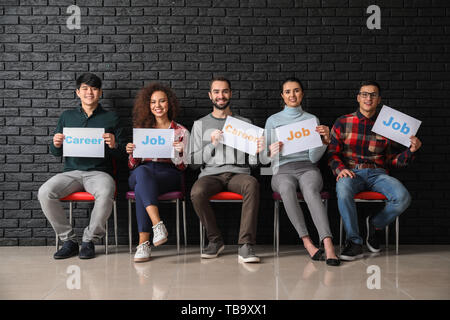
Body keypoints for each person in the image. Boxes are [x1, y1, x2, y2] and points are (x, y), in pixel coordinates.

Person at [328, 80, 422, 261]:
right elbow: (332, 153)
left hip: (378, 174)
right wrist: (340, 170)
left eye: (373, 95)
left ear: (379, 99)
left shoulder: (387, 126)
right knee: (343, 189)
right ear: (358, 98)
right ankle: (354, 242)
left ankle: (375, 225)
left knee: (403, 197)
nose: (368, 98)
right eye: (364, 94)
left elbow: (391, 161)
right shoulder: (342, 121)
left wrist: (410, 151)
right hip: (351, 172)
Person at [38, 73, 126, 260]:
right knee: (45, 192)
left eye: (94, 88)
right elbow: (55, 153)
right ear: (78, 92)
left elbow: (122, 156)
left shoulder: (111, 118)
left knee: (106, 190)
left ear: (100, 93)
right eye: (85, 88)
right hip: (71, 173)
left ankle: (89, 241)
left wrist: (113, 145)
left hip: (99, 173)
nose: (89, 92)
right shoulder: (67, 116)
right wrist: (56, 143)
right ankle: (69, 241)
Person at [263, 77, 340, 266]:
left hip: (307, 167)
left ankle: (328, 244)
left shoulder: (311, 119)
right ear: (282, 95)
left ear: (302, 94)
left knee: (311, 190)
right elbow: (263, 159)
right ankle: (308, 243)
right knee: (287, 189)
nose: (292, 95)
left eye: (296, 90)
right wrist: (270, 152)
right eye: (288, 91)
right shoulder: (273, 120)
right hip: (282, 170)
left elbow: (314, 157)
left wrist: (324, 142)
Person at [189, 76, 265, 263]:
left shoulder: (244, 122)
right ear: (210, 95)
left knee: (252, 184)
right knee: (196, 192)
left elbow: (254, 164)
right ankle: (215, 241)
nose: (220, 96)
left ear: (230, 94)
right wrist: (212, 145)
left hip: (239, 174)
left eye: (224, 91)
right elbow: (192, 163)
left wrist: (256, 152)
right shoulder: (199, 124)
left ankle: (246, 245)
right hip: (210, 175)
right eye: (216, 92)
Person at [126, 83, 189, 263]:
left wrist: (180, 152)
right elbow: (132, 165)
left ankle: (143, 244)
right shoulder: (142, 130)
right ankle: (157, 224)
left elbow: (183, 167)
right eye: (153, 102)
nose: (158, 106)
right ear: (148, 105)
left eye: (162, 101)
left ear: (169, 104)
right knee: (142, 173)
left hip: (167, 174)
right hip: (142, 171)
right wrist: (132, 152)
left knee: (141, 188)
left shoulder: (181, 131)